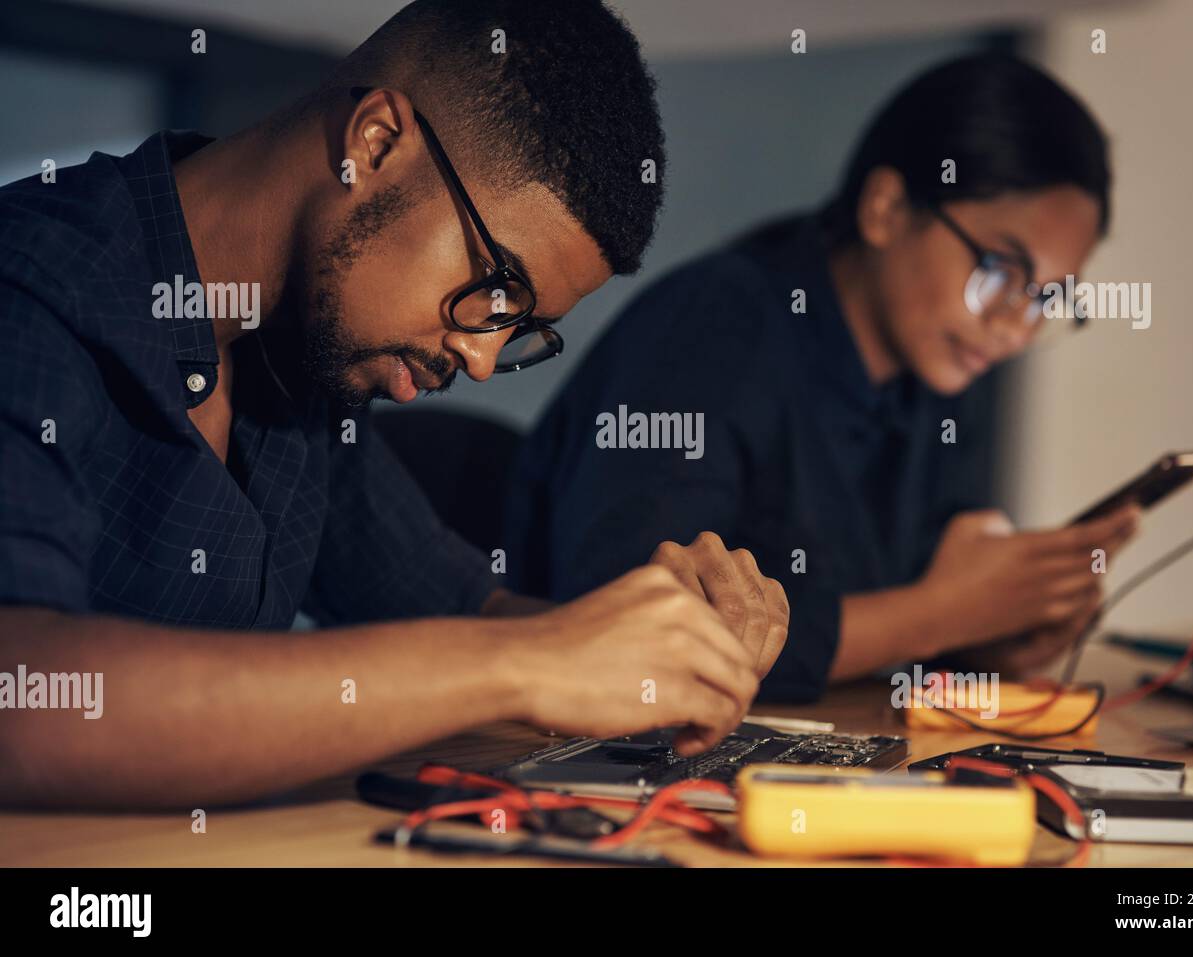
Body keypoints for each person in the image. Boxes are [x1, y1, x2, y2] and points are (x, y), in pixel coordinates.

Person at [0, 0, 787, 809]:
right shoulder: (31, 285)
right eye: (496, 289)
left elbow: (459, 605)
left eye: (523, 327)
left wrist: (656, 639)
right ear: (372, 144)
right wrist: (529, 664)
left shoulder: (303, 363)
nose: (482, 358)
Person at [506, 53, 1137, 703]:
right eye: (1001, 271)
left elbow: (915, 615)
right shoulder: (711, 328)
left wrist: (1000, 630)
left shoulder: (946, 364)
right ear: (887, 208)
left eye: (1047, 298)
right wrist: (941, 614)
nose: (1015, 326)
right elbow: (631, 634)